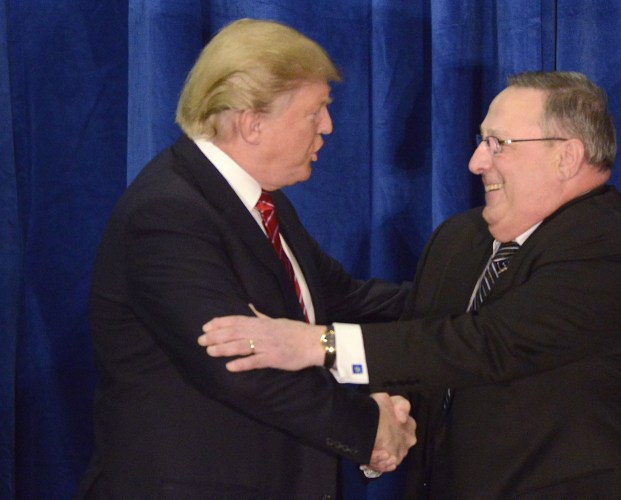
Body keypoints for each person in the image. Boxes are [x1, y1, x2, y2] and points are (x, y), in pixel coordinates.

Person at [198, 71, 621, 498]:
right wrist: (381, 426)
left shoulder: (609, 250)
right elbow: (427, 350)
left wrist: (318, 344)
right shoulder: (461, 239)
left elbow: (485, 345)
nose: (477, 162)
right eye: (481, 141)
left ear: (567, 156)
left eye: (499, 144)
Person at [76, 18, 416, 499]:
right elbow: (243, 366)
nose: (329, 127)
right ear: (252, 123)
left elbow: (343, 301)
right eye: (315, 111)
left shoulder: (262, 204)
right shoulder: (167, 214)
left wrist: (464, 309)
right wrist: (370, 428)